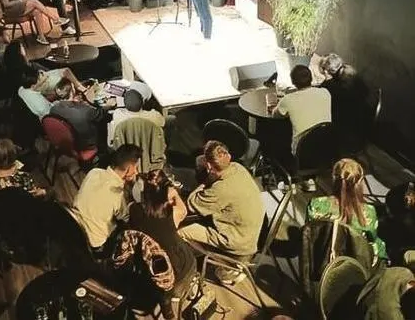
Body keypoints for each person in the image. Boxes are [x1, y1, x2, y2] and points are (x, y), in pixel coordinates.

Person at [178, 141, 264, 284]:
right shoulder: (238, 167)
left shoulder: (220, 189)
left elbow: (192, 203)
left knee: (181, 232)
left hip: (237, 248)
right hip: (249, 237)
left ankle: (225, 267)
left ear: (209, 166)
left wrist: (203, 184)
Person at [128, 169, 195, 320]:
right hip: (188, 266)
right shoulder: (172, 212)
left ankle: (167, 311)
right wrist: (173, 193)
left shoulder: (134, 210)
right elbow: (183, 210)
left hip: (167, 280)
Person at [307, 158, 387, 263]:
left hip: (322, 261)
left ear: (334, 178)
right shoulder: (368, 212)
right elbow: (372, 239)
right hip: (355, 264)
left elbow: (309, 234)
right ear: (360, 182)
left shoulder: (316, 205)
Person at [71, 144, 141, 249]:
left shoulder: (94, 173)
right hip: (94, 244)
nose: (136, 172)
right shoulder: (118, 195)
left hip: (74, 228)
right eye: (136, 168)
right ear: (129, 168)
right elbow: (126, 218)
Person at [273, 64, 332, 155]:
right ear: (311, 78)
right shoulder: (325, 92)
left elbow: (275, 115)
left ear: (293, 82)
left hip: (302, 151)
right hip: (327, 144)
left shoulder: (288, 99)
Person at [319, 53, 371, 150]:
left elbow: (326, 93)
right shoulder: (347, 70)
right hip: (360, 119)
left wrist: (327, 81)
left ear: (328, 71)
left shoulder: (343, 82)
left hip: (349, 128)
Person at [50, 78, 110, 152]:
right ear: (72, 91)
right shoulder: (85, 111)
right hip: (86, 145)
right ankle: (104, 151)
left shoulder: (53, 109)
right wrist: (108, 106)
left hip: (67, 142)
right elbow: (100, 114)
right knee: (105, 119)